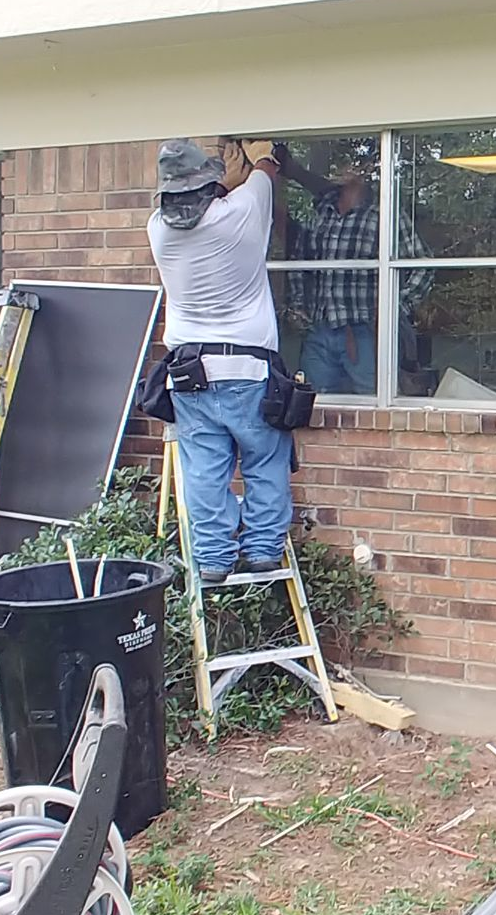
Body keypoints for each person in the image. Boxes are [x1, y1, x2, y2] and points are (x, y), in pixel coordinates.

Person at [146, 138, 291, 583]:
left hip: (188, 374)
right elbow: (265, 172)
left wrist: (221, 183)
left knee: (205, 470)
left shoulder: (158, 230)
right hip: (249, 369)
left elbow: (205, 209)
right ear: (210, 189)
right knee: (265, 460)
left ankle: (213, 558)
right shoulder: (242, 212)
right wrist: (261, 153)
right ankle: (263, 549)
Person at [280, 145, 433, 395]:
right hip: (319, 328)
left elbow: (422, 263)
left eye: (351, 162)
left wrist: (393, 308)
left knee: (374, 403)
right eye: (340, 162)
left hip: (365, 330)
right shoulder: (321, 213)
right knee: (311, 404)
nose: (343, 168)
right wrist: (298, 305)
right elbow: (299, 260)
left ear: (367, 171)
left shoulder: (383, 216)